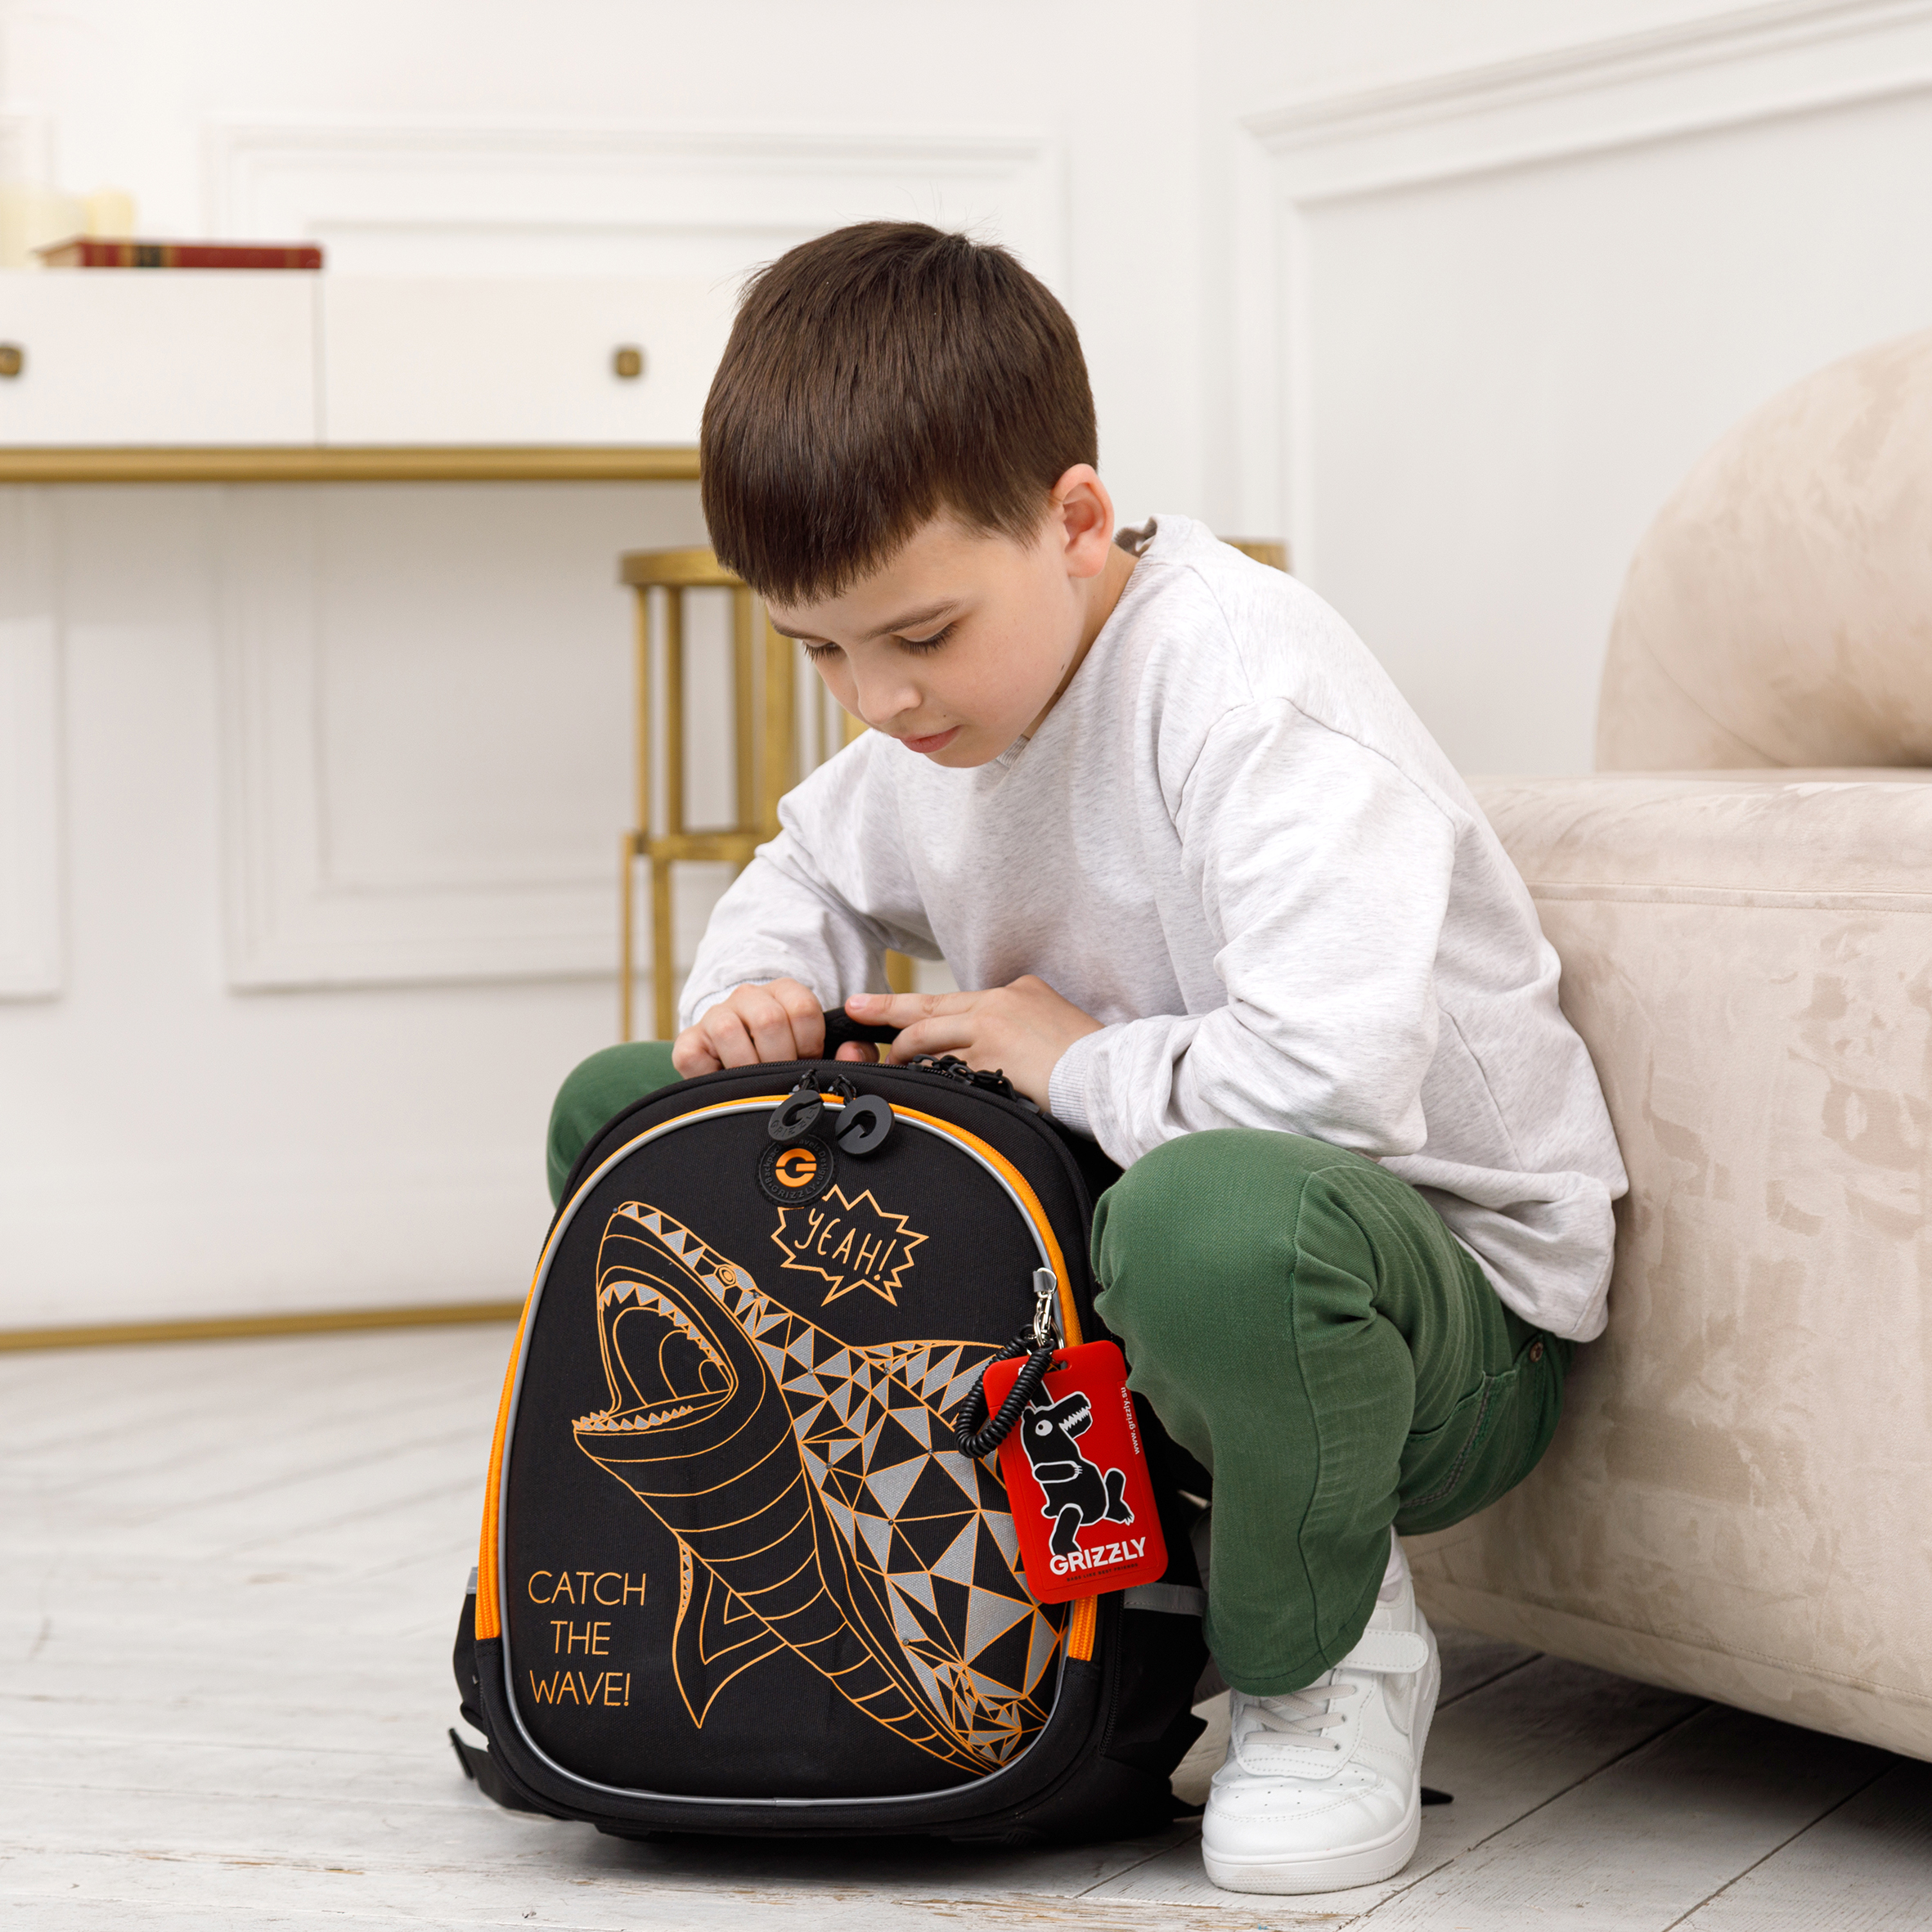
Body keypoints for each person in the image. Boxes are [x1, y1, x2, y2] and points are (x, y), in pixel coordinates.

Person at [546, 221, 1626, 1896]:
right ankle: (916, 1609)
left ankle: (1319, 1661)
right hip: (1112, 1255)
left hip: (1418, 1313)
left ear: (1068, 517)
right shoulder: (937, 715)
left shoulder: (1246, 690)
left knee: (1214, 1218)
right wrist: (756, 988)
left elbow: (1333, 1087)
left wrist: (1069, 1058)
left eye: (915, 632)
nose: (876, 700)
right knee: (638, 1115)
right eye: (816, 648)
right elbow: (809, 867)